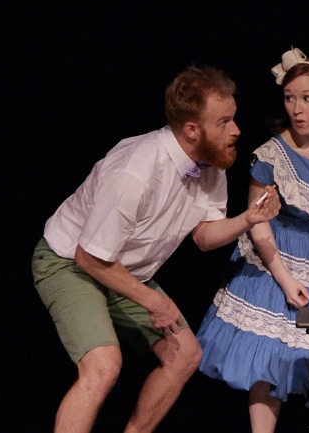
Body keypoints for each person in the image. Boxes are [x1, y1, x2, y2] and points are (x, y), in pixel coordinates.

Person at [31, 65, 280, 433]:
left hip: (123, 270)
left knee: (185, 356)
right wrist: (155, 302)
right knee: (103, 366)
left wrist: (249, 219)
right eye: (224, 122)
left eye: (234, 119)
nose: (236, 130)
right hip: (70, 263)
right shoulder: (136, 170)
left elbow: (203, 234)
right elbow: (90, 257)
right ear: (191, 129)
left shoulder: (210, 163)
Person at [196, 47, 309, 433]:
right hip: (278, 254)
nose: (297, 108)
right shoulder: (272, 153)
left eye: (307, 98)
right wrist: (282, 277)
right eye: (290, 98)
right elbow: (257, 222)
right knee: (272, 354)